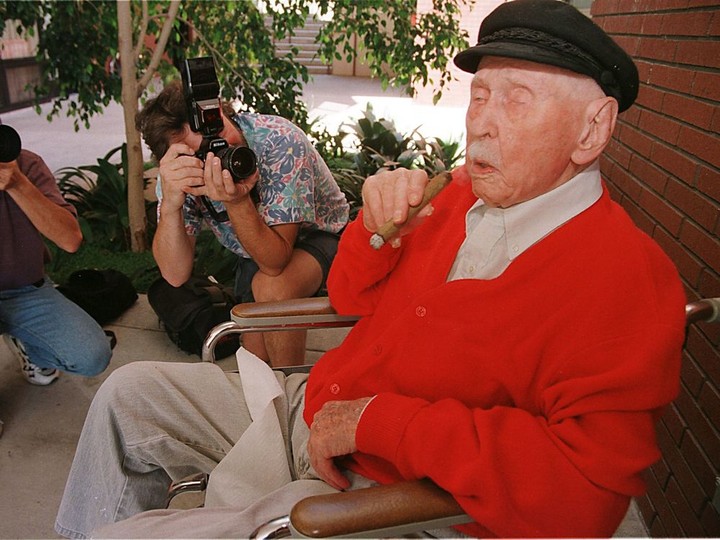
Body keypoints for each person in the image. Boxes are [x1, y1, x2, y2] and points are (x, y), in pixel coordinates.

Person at [55, 1, 687, 537]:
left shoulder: (626, 277)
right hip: (315, 405)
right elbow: (352, 290)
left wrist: (381, 422)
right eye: (480, 94)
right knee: (125, 394)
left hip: (380, 489)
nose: (482, 124)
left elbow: (587, 496)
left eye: (518, 101)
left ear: (591, 130)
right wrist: (375, 230)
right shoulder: (457, 193)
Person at [136, 82, 349, 366]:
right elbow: (175, 275)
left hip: (322, 235)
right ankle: (269, 398)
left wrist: (236, 202)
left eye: (217, 133)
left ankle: (294, 393)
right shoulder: (178, 172)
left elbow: (275, 262)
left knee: (273, 289)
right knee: (253, 353)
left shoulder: (279, 140)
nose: (220, 152)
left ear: (222, 112)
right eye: (203, 154)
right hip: (255, 247)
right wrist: (172, 205)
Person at [0, 128, 112, 435]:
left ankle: (29, 346)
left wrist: (17, 184)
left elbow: (70, 239)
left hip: (25, 290)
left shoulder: (25, 165)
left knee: (93, 355)